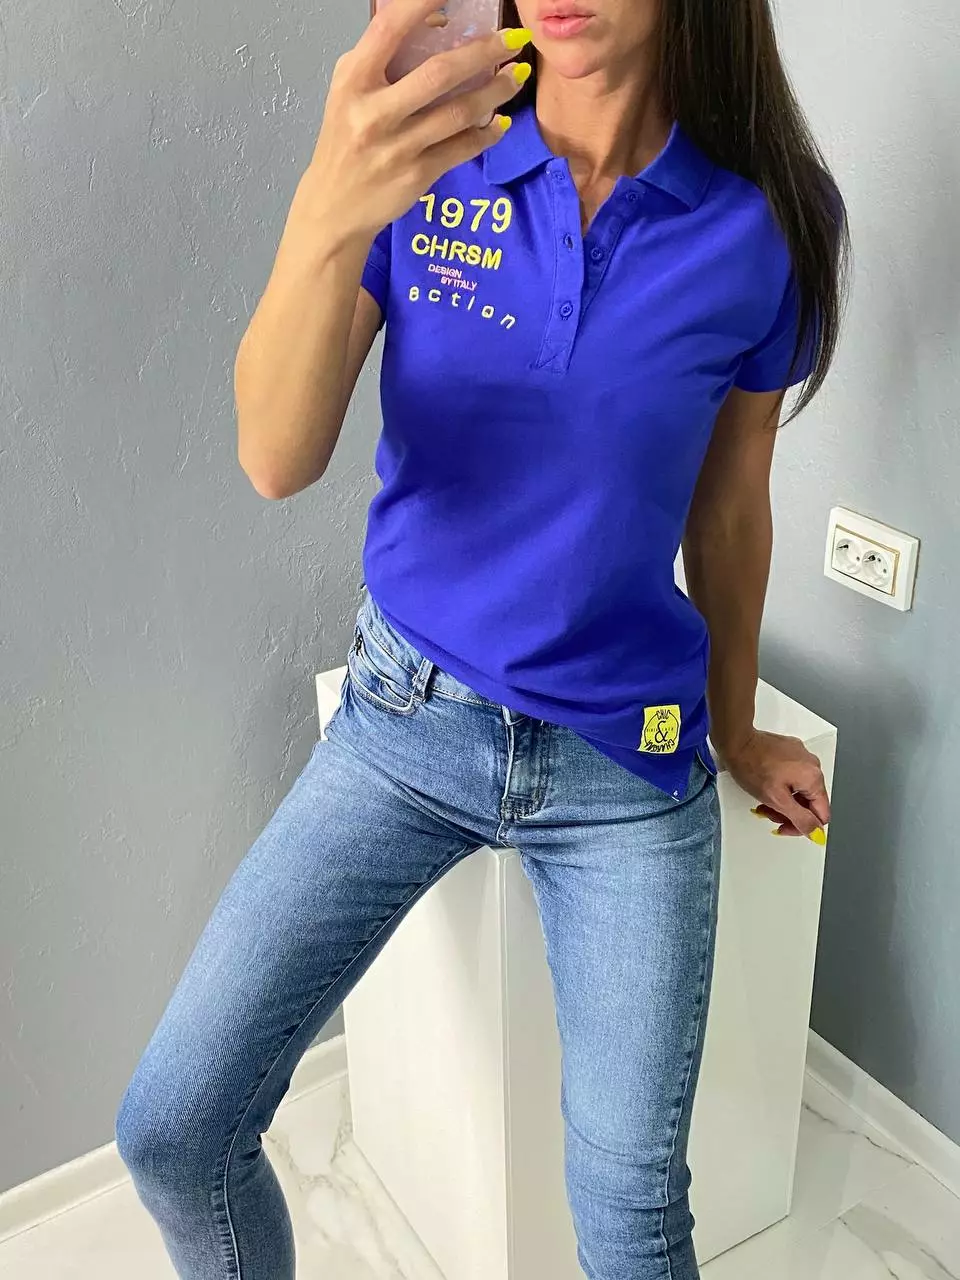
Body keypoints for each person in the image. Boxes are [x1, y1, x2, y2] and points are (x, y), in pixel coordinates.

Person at [116, 1, 849, 1276]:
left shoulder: (767, 221)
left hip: (626, 760)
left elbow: (733, 503)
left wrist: (735, 728)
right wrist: (328, 202)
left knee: (632, 1215)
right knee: (175, 1129)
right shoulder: (424, 156)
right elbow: (276, 457)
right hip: (404, 722)